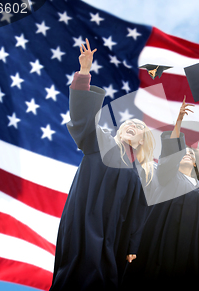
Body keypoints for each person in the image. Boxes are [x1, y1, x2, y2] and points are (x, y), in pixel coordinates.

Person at [50, 40, 153, 290]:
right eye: (130, 123)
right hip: (85, 219)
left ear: (143, 140)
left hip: (113, 234)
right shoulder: (102, 142)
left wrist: (132, 246)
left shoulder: (139, 172)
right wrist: (84, 73)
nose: (133, 126)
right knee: (77, 272)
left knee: (106, 279)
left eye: (139, 127)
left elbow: (137, 214)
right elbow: (83, 119)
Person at [121, 98, 199, 290]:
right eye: (183, 152)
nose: (187, 154)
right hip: (162, 243)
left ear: (196, 163)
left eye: (191, 154)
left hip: (189, 249)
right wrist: (179, 122)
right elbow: (170, 154)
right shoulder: (167, 176)